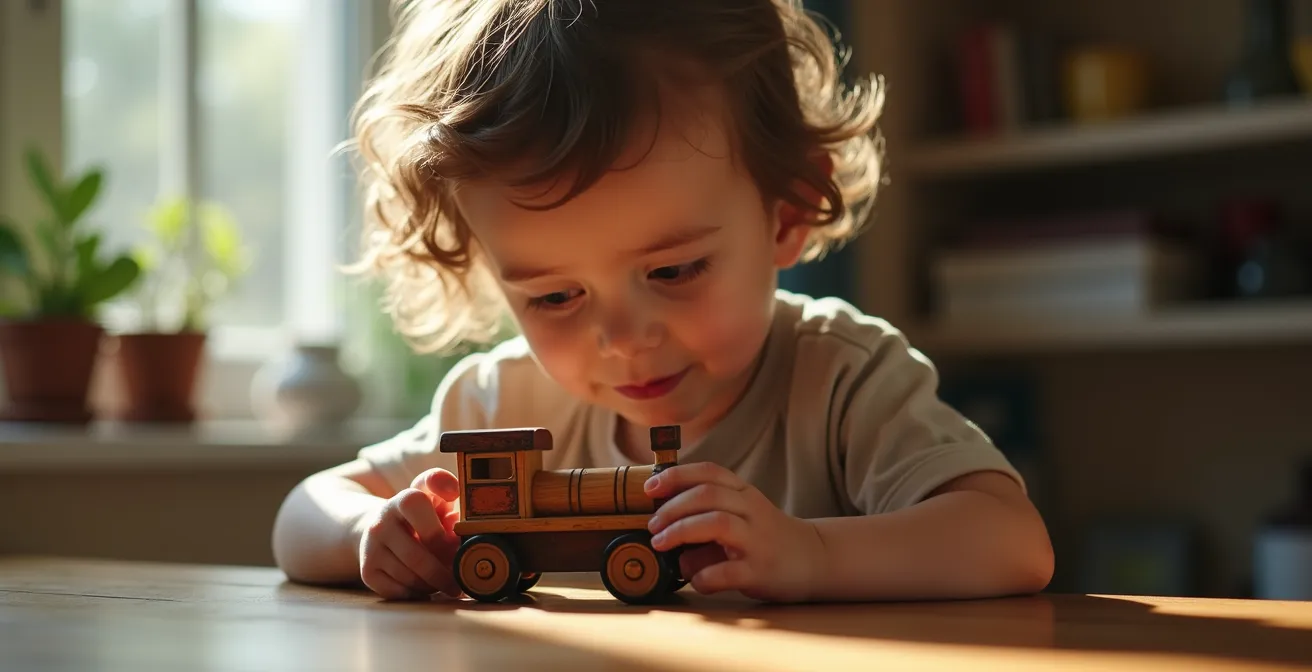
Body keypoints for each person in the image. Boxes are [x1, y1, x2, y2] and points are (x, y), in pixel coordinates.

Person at [271, 0, 1054, 604]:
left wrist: (814, 554)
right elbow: (303, 515)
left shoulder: (841, 379)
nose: (622, 337)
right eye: (553, 294)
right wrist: (369, 531)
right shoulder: (501, 401)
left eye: (674, 271)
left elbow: (1010, 540)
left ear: (787, 210)